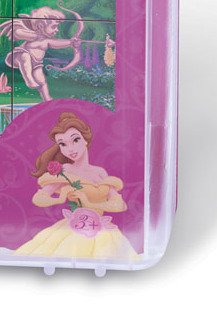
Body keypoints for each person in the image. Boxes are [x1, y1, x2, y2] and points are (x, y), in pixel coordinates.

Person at [13, 111, 139, 259]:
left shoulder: (100, 173)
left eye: (75, 140)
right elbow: (39, 198)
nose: (70, 149)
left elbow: (119, 205)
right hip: (75, 230)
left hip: (102, 230)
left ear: (85, 140)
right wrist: (60, 199)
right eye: (63, 144)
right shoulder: (65, 171)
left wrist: (89, 203)